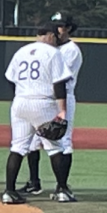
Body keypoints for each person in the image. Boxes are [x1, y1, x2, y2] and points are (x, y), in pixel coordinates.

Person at [1, 21, 73, 205]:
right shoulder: (53, 53)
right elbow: (59, 83)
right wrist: (62, 110)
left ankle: (9, 191)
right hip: (42, 102)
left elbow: (10, 78)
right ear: (49, 35)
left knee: (17, 147)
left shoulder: (21, 51)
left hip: (20, 101)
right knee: (55, 146)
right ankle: (62, 190)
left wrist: (24, 93)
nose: (56, 41)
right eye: (55, 37)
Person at [21, 11, 82, 198]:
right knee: (33, 141)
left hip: (63, 98)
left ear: (69, 29)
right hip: (43, 99)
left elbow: (59, 79)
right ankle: (34, 182)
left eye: (61, 25)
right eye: (55, 25)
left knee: (63, 140)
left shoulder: (71, 50)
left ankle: (61, 186)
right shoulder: (48, 48)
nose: (57, 29)